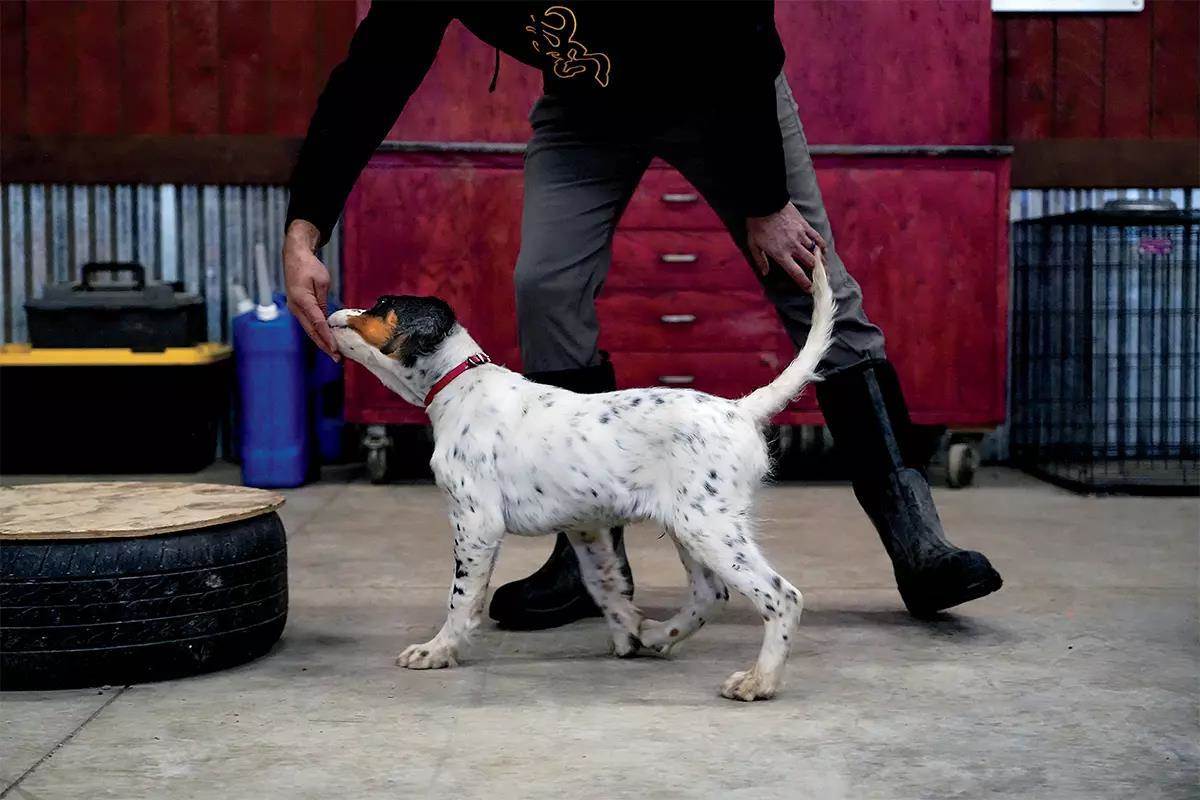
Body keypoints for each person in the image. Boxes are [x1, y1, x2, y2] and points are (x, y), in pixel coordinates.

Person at [283, 1, 1002, 630]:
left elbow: (737, 21)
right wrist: (305, 227)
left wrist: (763, 195)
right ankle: (584, 565)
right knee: (546, 287)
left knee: (815, 285)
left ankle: (919, 543)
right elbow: (376, 67)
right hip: (588, 107)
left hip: (720, 84)